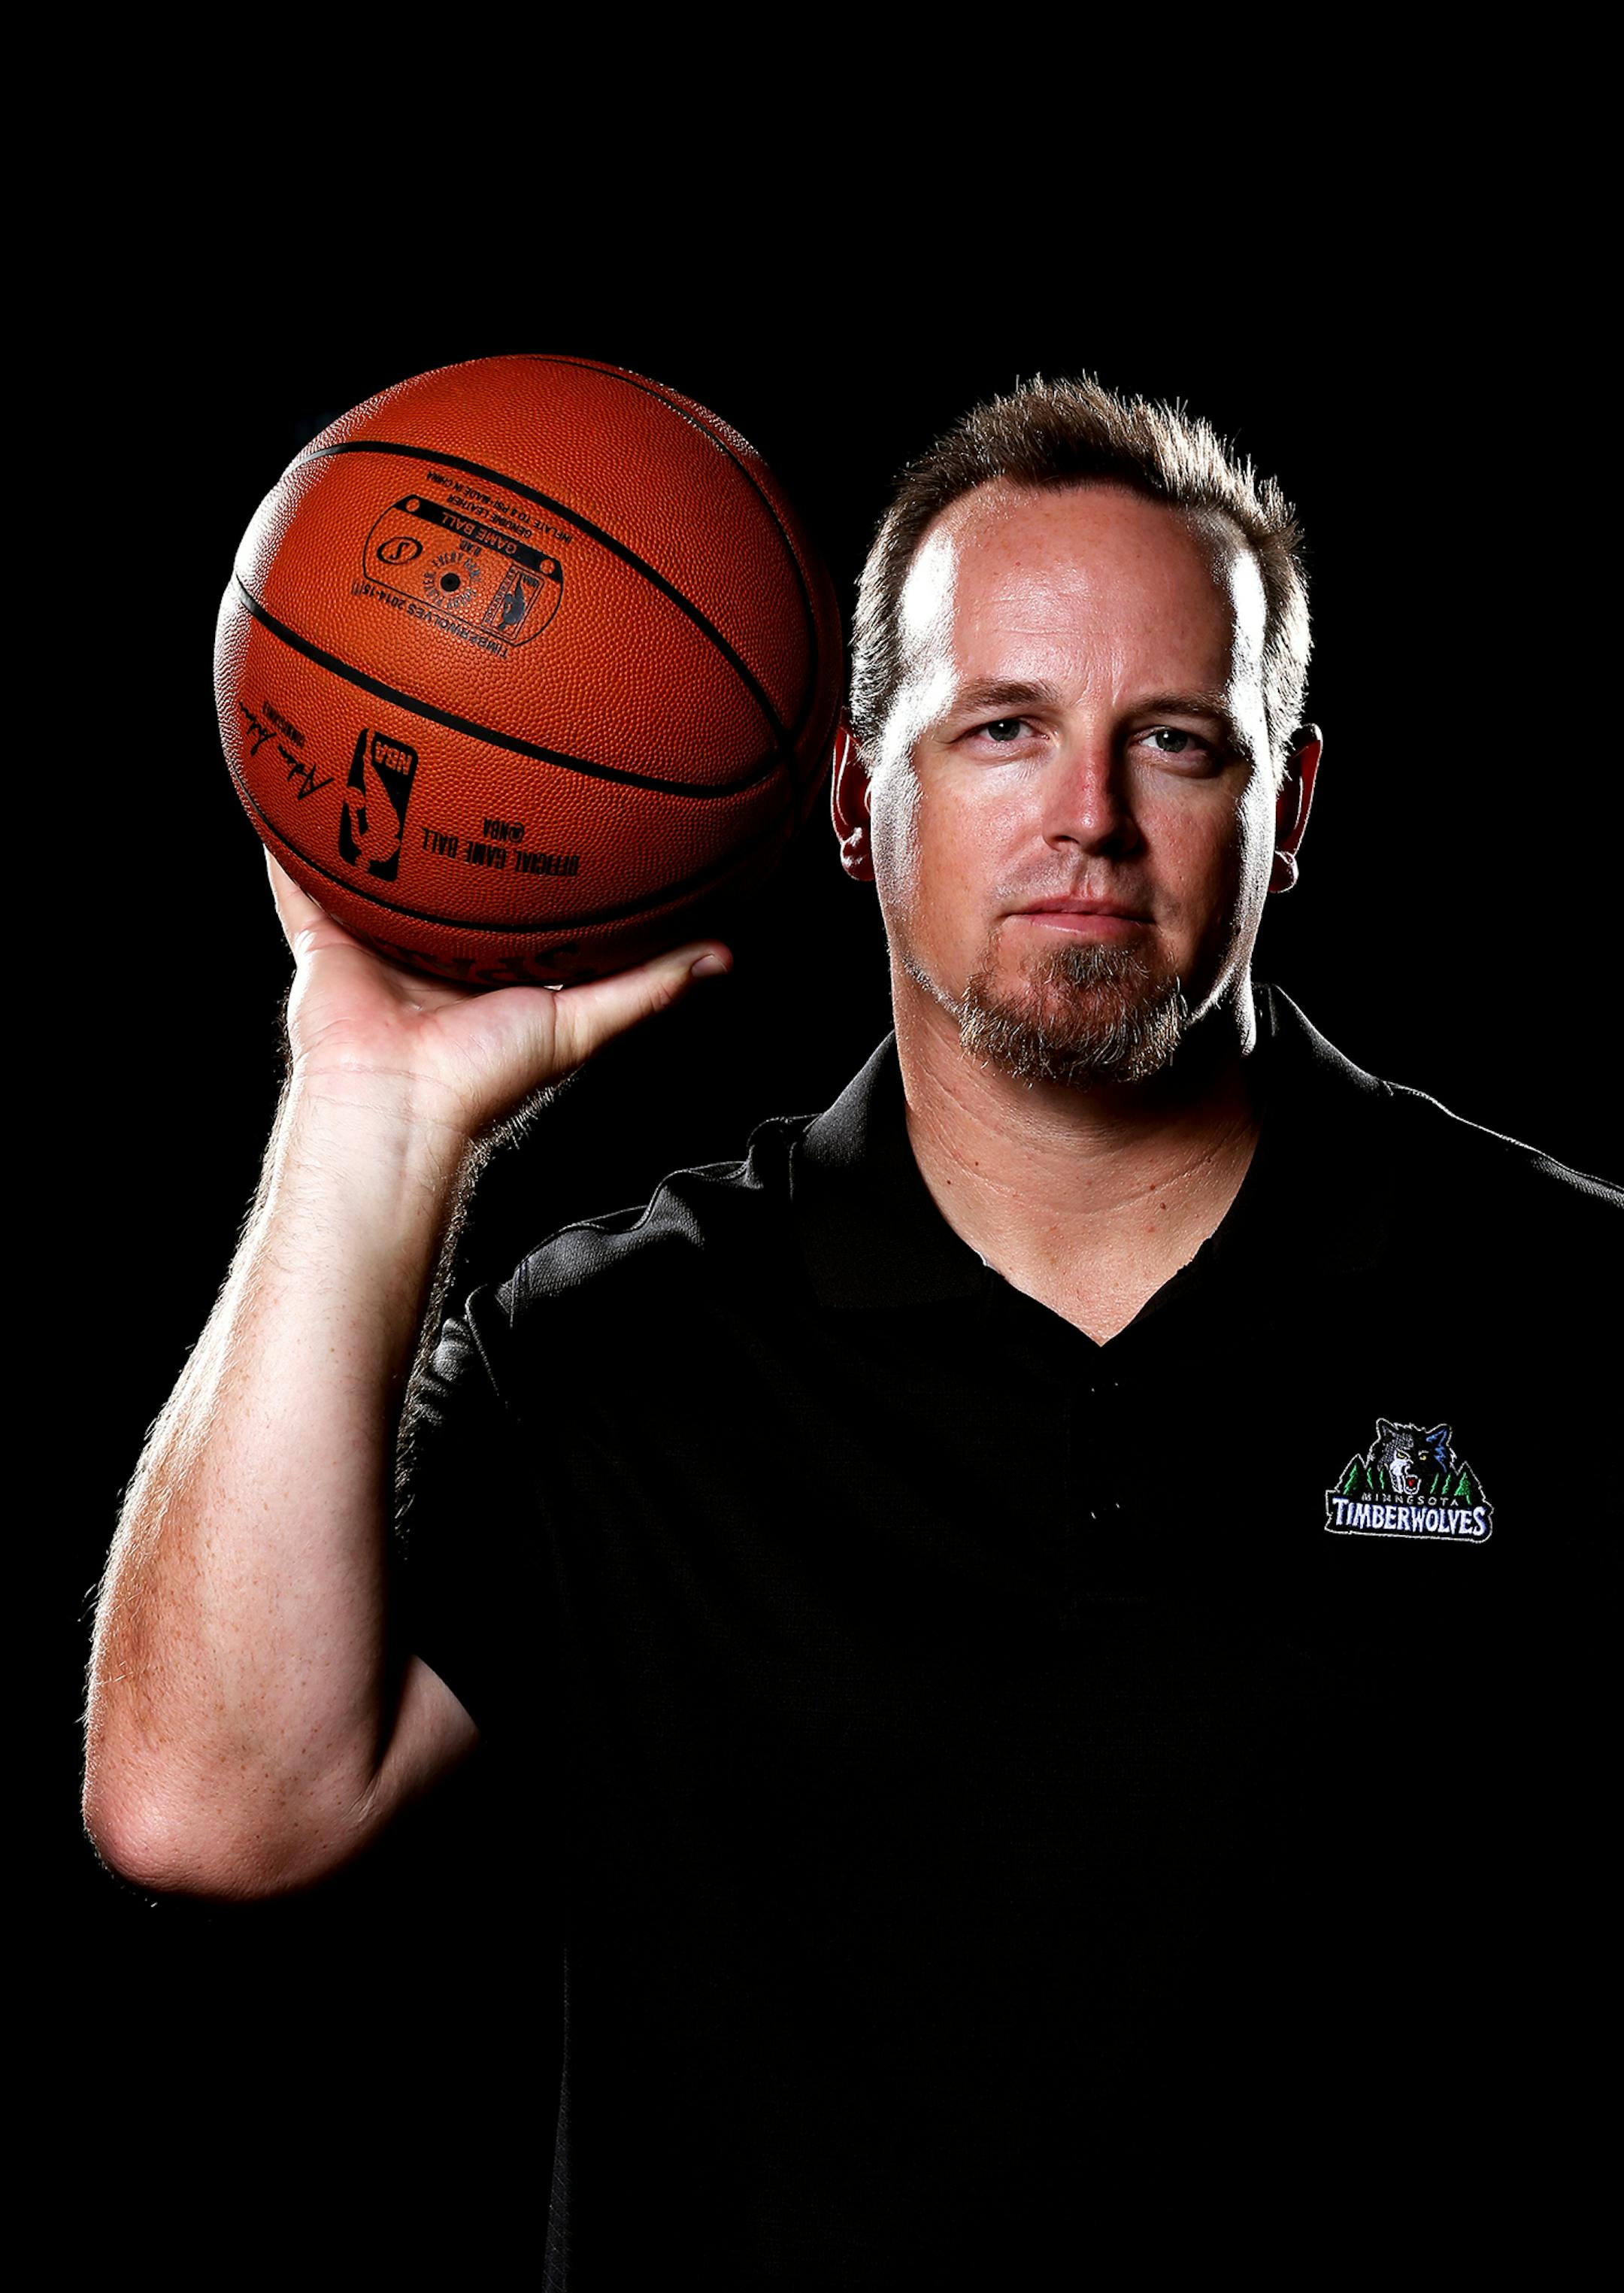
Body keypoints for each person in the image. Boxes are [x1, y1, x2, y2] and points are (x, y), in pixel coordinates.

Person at [83, 375, 1618, 2282]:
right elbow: (207, 1805)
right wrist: (366, 1112)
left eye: (1177, 742)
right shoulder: (627, 1344)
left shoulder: (1570, 1314)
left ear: (1288, 807)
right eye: (1003, 729)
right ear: (850, 800)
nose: (1091, 820)